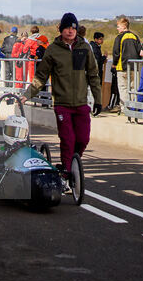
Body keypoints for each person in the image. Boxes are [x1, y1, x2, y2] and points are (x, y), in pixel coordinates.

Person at [20, 13, 102, 182]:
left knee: (83, 139)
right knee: (67, 138)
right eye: (67, 28)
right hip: (62, 104)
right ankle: (65, 171)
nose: (71, 31)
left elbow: (93, 75)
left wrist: (98, 100)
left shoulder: (84, 48)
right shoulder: (53, 50)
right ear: (61, 29)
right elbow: (40, 76)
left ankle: (73, 162)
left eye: (74, 28)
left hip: (81, 102)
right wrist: (26, 95)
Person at [112, 17, 142, 107]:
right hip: (135, 67)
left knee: (123, 88)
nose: (117, 28)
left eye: (118, 26)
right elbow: (140, 51)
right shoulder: (135, 36)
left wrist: (114, 64)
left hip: (122, 67)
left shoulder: (119, 37)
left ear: (124, 26)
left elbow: (116, 53)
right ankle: (133, 107)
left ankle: (125, 108)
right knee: (133, 88)